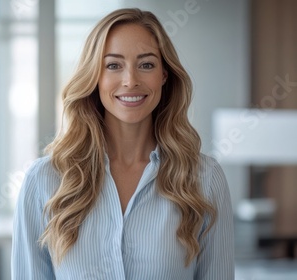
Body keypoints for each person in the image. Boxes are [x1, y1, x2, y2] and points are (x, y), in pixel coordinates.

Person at [12, 8, 234, 280]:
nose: (130, 81)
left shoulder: (205, 179)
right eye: (113, 65)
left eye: (146, 64)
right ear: (95, 76)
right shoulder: (44, 181)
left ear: (164, 74)